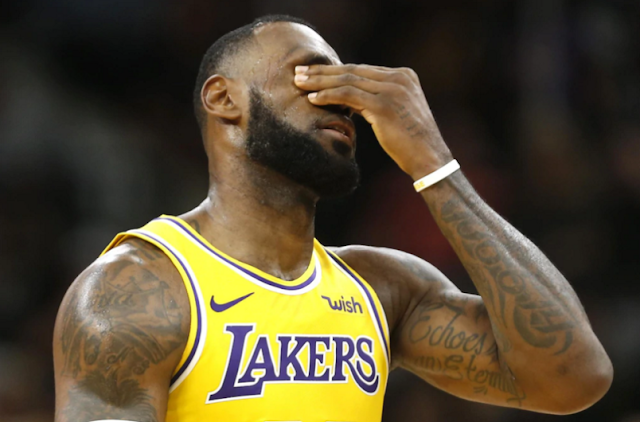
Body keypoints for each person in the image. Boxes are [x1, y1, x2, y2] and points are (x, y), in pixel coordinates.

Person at [53, 15, 613, 422]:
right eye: (312, 77)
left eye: (348, 86)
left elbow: (573, 377)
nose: (344, 100)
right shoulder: (137, 289)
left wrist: (434, 164)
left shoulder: (385, 290)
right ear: (224, 98)